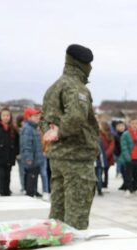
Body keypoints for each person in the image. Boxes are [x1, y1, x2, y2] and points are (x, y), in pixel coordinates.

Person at [41, 44, 100, 230]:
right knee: (76, 219)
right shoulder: (76, 87)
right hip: (77, 159)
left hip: (58, 158)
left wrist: (52, 133)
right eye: (89, 64)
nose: (90, 68)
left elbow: (44, 119)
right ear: (81, 64)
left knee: (57, 216)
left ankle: (56, 245)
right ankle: (74, 247)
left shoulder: (54, 87)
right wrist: (60, 132)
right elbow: (76, 117)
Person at [19, 107, 45, 198]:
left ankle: (33, 191)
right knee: (31, 177)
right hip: (31, 159)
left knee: (34, 176)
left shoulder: (34, 128)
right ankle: (29, 194)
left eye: (38, 116)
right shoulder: (28, 129)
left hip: (36, 158)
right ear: (29, 117)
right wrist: (28, 158)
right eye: (35, 116)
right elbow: (26, 145)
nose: (38, 117)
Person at [119, 117, 137, 193]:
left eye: (136, 123)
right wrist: (127, 157)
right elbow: (124, 147)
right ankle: (128, 188)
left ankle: (135, 187)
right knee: (128, 175)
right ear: (129, 124)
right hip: (129, 158)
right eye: (133, 123)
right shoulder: (125, 134)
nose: (134, 125)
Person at [96, 121, 115, 196]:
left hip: (107, 157)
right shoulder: (98, 134)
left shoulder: (110, 135)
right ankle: (99, 185)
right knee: (99, 173)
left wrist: (105, 155)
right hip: (100, 156)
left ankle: (105, 184)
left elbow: (112, 146)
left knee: (106, 171)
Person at [113, 121, 127, 189]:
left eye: (122, 126)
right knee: (122, 170)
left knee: (126, 170)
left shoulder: (127, 134)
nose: (121, 127)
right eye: (119, 126)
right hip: (119, 155)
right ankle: (125, 183)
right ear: (116, 127)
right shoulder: (115, 136)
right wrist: (117, 154)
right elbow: (115, 146)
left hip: (126, 155)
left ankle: (127, 184)